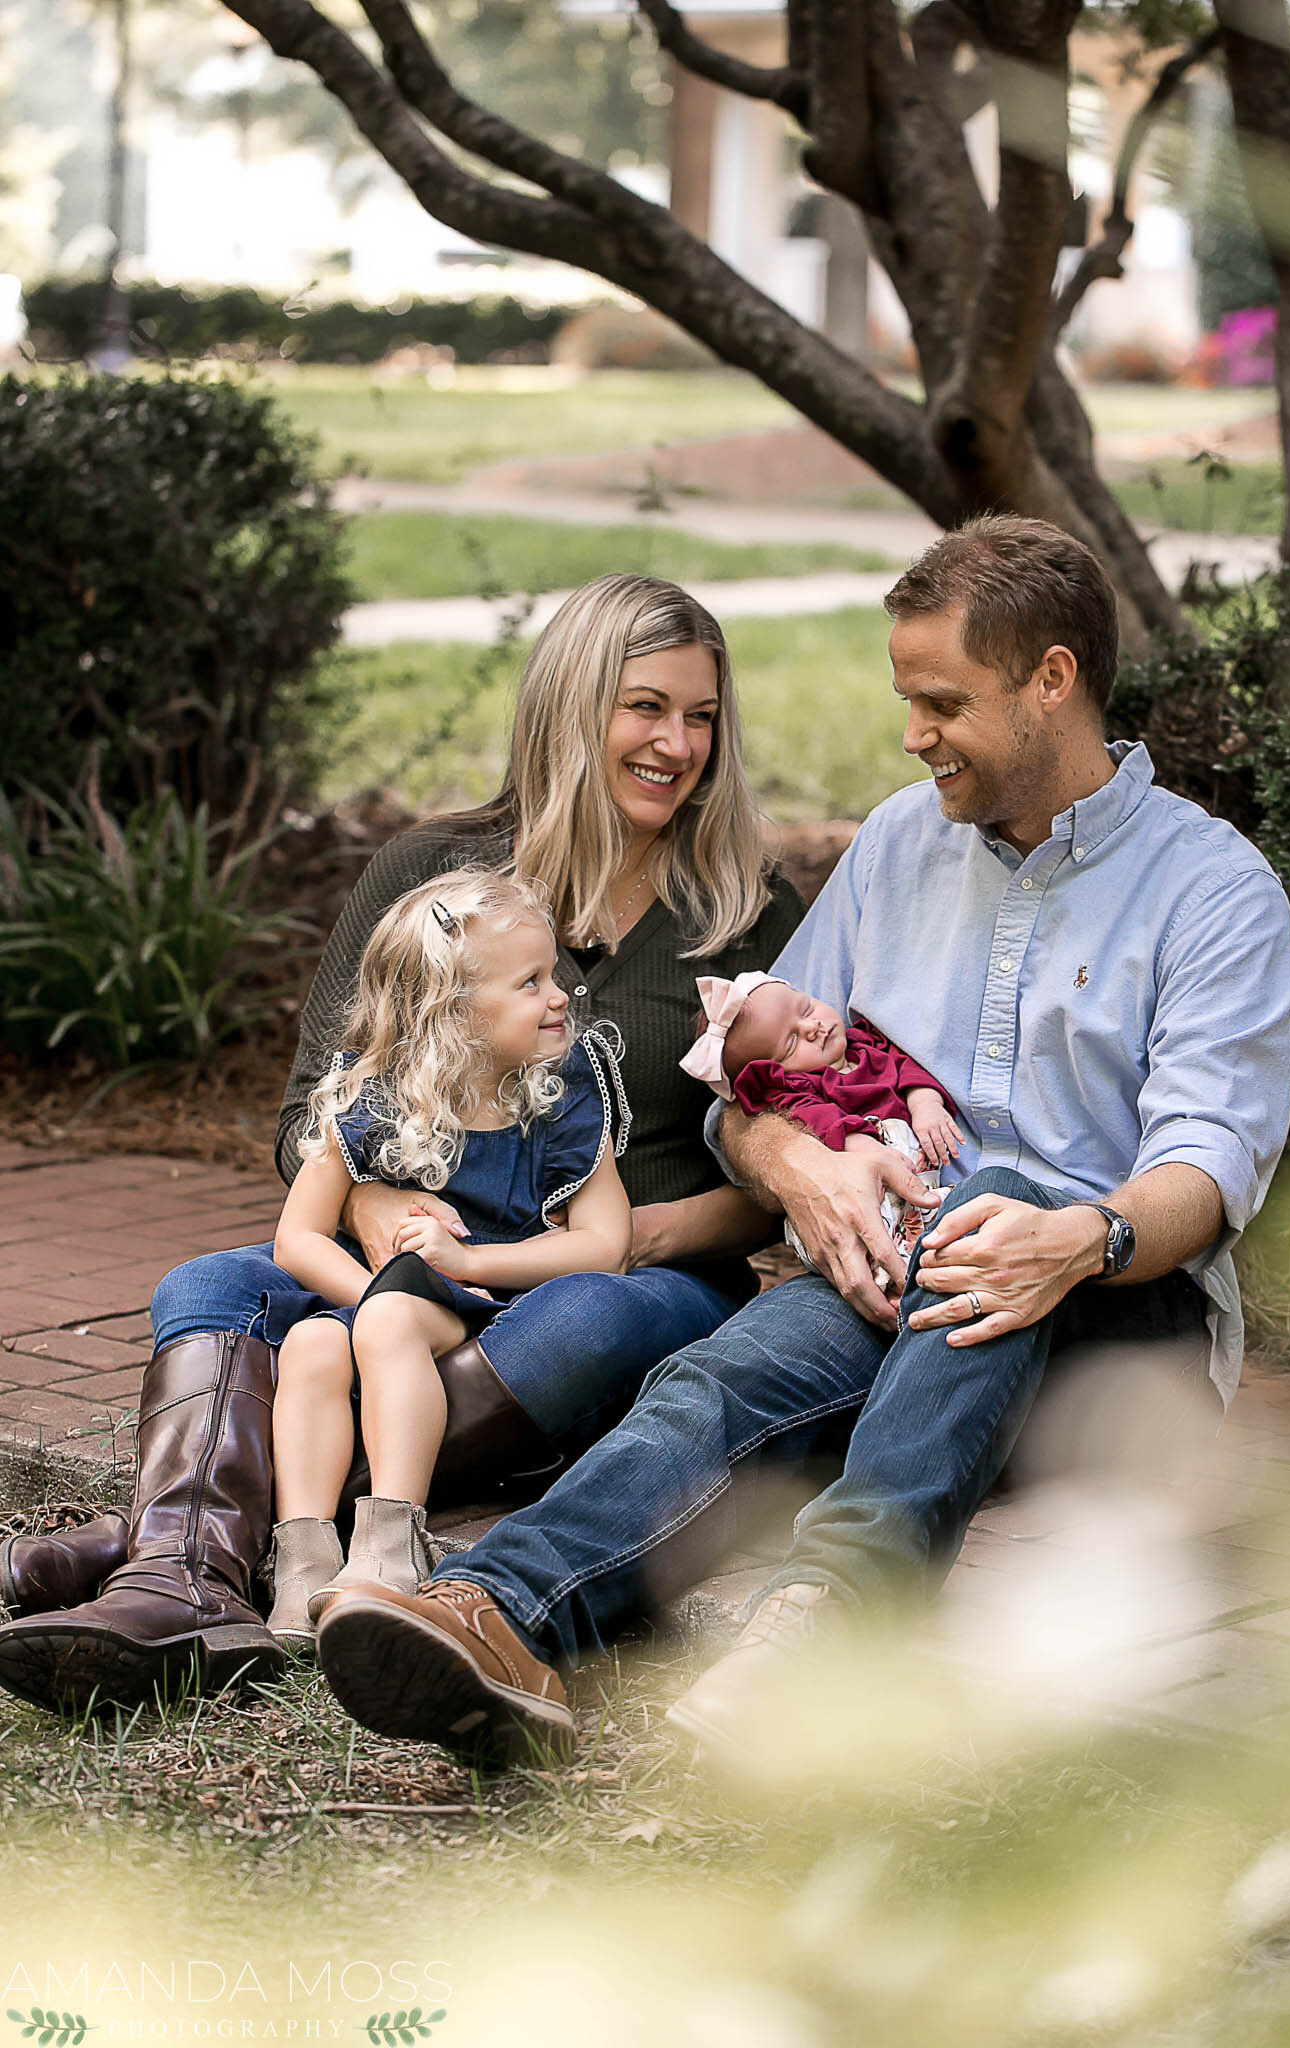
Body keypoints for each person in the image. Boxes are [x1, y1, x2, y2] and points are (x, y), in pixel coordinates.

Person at [309, 515, 1290, 1767]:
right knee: (712, 1384)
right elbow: (743, 1083)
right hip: (897, 1270)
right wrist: (798, 1162)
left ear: (1052, 680)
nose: (910, 734)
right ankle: (493, 1611)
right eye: (905, 698)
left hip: (1113, 1304)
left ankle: (829, 1621)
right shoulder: (897, 843)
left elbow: (1205, 1176)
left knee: (989, 1200)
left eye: (941, 701)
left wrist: (1076, 1232)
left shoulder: (1213, 890)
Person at [0, 575, 804, 1716]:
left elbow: (779, 1171)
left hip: (637, 1276)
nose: (679, 743)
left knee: (589, 1312)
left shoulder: (747, 911)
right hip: (416, 1266)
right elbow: (307, 1116)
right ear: (570, 707)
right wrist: (374, 1211)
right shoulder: (428, 881)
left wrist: (628, 1236)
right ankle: (181, 1578)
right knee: (215, 1281)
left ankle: (175, 1544)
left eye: (703, 715)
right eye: (646, 707)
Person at [265, 868, 632, 1646]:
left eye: (554, 974)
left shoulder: (560, 1093)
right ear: (453, 1016)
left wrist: (464, 1270)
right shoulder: (371, 1096)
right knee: (310, 1342)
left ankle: (390, 1544)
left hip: (503, 1305)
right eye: (531, 982)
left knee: (390, 1324)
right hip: (394, 1299)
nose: (560, 995)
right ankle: (301, 1559)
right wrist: (375, 1300)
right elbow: (295, 1239)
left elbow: (606, 1244)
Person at [680, 968, 960, 1279]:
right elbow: (818, 1119)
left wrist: (925, 1102)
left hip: (921, 1180)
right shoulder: (797, 1089)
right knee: (864, 1233)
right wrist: (858, 1142)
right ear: (771, 1072)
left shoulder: (869, 1043)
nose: (812, 1028)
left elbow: (906, 1067)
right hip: (862, 1196)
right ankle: (888, 1276)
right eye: (790, 1043)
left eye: (806, 1008)